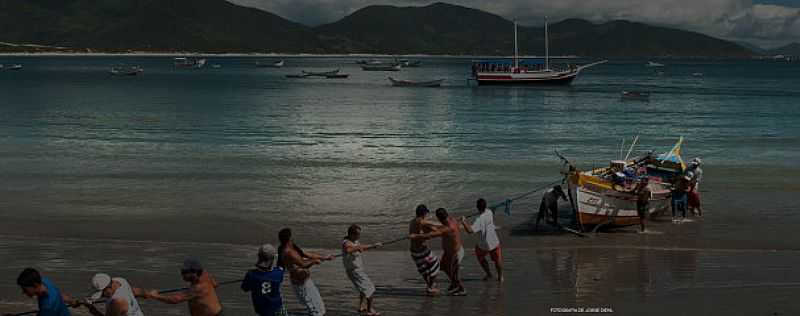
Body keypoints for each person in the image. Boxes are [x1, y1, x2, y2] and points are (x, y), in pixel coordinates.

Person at [410, 208, 465, 296]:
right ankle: (454, 285)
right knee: (443, 267)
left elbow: (430, 235)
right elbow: (436, 225)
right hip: (449, 252)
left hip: (455, 254)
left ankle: (461, 290)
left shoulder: (446, 229)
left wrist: (415, 236)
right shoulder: (452, 219)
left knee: (454, 274)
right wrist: (461, 220)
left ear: (439, 218)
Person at [278, 228, 333, 316]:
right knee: (315, 311)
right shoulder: (288, 252)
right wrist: (314, 261)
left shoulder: (292, 247)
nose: (293, 238)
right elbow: (303, 264)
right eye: (291, 236)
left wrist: (325, 257)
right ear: (289, 238)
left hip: (306, 282)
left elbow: (306, 254)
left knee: (320, 307)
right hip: (301, 284)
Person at [144, 258, 223, 316]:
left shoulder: (198, 288)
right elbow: (215, 284)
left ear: (195, 273)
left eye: (185, 272)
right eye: (183, 272)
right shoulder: (204, 274)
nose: (183, 275)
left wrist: (155, 296)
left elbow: (175, 299)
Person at [341, 224, 382, 316]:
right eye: (357, 234)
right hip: (354, 271)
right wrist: (357, 248)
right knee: (370, 289)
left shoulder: (355, 241)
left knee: (363, 289)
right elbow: (348, 249)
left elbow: (361, 247)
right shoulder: (346, 242)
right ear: (351, 234)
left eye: (359, 234)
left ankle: (361, 306)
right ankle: (369, 310)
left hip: (358, 269)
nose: (359, 236)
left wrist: (373, 246)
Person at [461, 198, 503, 283]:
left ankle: (489, 274)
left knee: (480, 257)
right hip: (494, 242)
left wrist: (463, 221)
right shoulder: (489, 212)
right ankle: (500, 277)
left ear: (477, 207)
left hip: (484, 245)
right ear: (485, 206)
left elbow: (470, 231)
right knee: (497, 260)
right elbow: (491, 210)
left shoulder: (479, 220)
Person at [8, 268, 79, 316]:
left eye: (25, 289)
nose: (23, 292)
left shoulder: (48, 306)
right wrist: (71, 301)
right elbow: (59, 294)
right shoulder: (45, 281)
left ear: (35, 285)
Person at [241, 244, 286, 316]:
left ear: (259, 257)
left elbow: (244, 288)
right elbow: (277, 271)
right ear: (272, 259)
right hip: (278, 309)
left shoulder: (251, 274)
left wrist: (249, 279)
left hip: (262, 311)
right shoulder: (278, 273)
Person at [408, 204, 442, 295]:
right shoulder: (422, 222)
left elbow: (430, 228)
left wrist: (429, 232)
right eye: (426, 213)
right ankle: (430, 287)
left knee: (423, 269)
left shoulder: (412, 221)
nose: (426, 215)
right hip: (422, 251)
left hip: (414, 251)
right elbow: (435, 224)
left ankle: (429, 285)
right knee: (436, 264)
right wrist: (445, 223)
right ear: (423, 214)